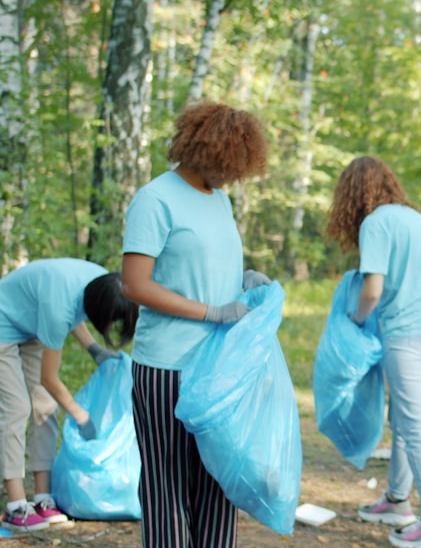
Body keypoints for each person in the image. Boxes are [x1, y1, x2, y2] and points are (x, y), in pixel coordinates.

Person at [121, 101, 271, 548]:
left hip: (218, 367)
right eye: (227, 165)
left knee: (218, 482)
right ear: (205, 149)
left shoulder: (219, 199)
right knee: (167, 485)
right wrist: (211, 312)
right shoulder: (155, 200)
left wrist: (241, 284)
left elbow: (204, 270)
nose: (231, 177)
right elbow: (134, 284)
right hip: (166, 366)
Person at [326, 156, 421, 548]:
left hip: (408, 335)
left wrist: (354, 318)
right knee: (403, 416)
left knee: (416, 428)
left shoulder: (375, 223)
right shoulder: (417, 219)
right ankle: (397, 500)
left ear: (353, 193)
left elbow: (373, 289)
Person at [1, 260, 138, 532]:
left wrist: (93, 349)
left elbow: (74, 310)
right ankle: (15, 506)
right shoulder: (57, 307)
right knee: (17, 408)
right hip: (3, 322)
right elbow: (48, 378)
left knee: (45, 407)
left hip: (31, 325)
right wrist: (79, 414)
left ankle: (42, 498)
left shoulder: (105, 283)